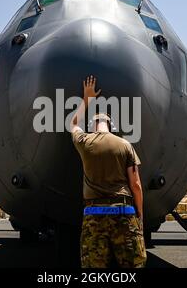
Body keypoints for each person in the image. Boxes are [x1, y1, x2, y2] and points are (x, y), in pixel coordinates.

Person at [70, 75, 147, 268]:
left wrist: (86, 100)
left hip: (94, 213)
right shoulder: (125, 145)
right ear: (111, 126)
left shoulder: (85, 142)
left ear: (92, 127)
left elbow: (73, 124)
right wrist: (139, 214)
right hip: (124, 212)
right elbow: (135, 185)